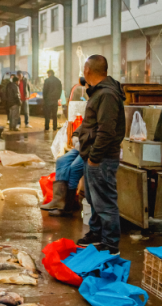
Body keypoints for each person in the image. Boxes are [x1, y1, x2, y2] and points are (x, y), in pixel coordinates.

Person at [75, 55, 126, 255]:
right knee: (94, 200)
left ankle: (111, 245)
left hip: (101, 159)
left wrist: (95, 158)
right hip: (93, 157)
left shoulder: (107, 95)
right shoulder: (99, 92)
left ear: (87, 70)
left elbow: (106, 131)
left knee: (105, 203)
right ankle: (96, 235)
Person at [41, 135, 83, 215]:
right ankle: (58, 200)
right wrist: (76, 134)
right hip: (82, 145)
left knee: (73, 169)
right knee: (61, 160)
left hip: (90, 147)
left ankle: (67, 207)